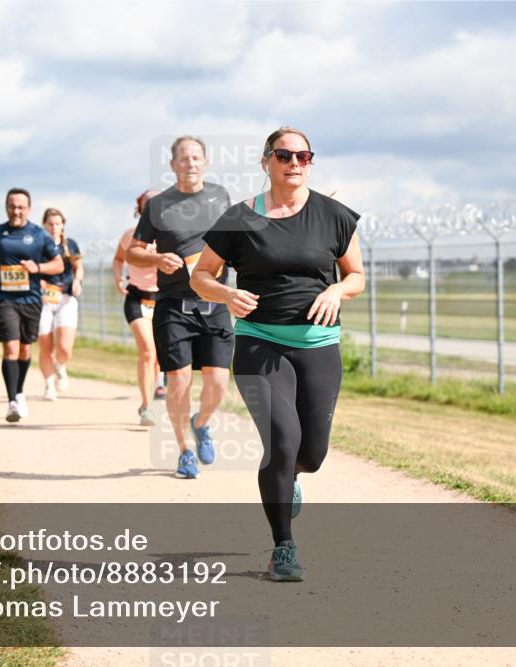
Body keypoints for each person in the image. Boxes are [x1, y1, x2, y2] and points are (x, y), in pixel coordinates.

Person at [190, 126, 365, 582]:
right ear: (266, 161)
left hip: (318, 345)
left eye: (303, 156)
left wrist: (337, 289)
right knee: (282, 443)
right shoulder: (239, 218)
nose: (294, 163)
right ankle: (283, 547)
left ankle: (293, 478)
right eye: (284, 155)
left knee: (313, 453)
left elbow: (357, 276)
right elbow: (200, 275)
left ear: (310, 162)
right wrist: (226, 295)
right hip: (258, 343)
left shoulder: (334, 216)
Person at [128, 136, 234, 479]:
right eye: (184, 158)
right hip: (173, 303)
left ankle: (200, 423)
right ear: (173, 165)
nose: (191, 163)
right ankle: (185, 450)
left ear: (206, 162)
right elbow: (134, 251)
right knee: (178, 382)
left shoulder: (220, 197)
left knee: (218, 382)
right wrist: (157, 257)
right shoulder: (158, 205)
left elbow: (236, 240)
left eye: (196, 157)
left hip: (215, 300)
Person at [0, 188, 64, 422]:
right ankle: (12, 400)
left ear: (29, 209)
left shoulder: (38, 234)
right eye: (12, 206)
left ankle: (20, 391)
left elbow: (58, 265)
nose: (16, 211)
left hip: (32, 298)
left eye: (21, 207)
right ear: (6, 206)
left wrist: (38, 268)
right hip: (3, 297)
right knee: (11, 348)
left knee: (26, 349)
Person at [114, 190, 167, 426]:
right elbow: (118, 259)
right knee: (147, 350)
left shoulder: (172, 236)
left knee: (157, 356)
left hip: (163, 299)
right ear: (141, 209)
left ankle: (154, 397)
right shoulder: (130, 236)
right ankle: (146, 407)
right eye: (149, 204)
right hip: (137, 298)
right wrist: (118, 278)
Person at [37, 208, 83, 401]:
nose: (54, 227)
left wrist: (77, 280)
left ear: (63, 225)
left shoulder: (69, 245)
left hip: (65, 298)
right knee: (45, 346)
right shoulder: (37, 245)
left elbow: (78, 266)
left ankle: (61, 366)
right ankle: (49, 385)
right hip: (43, 299)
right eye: (50, 224)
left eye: (57, 223)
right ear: (44, 225)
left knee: (64, 348)